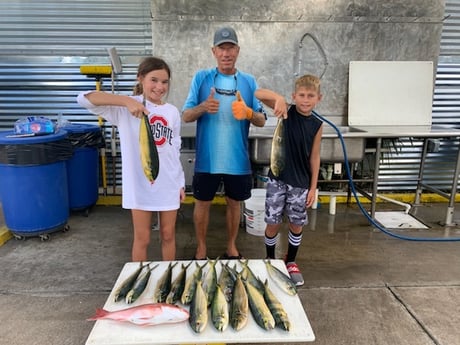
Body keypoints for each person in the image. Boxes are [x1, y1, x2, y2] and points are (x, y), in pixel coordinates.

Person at [77, 56, 185, 262]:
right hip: (140, 184)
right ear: (140, 79)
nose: (160, 87)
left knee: (168, 235)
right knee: (142, 238)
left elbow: (175, 149)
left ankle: (168, 280)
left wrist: (180, 183)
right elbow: (83, 98)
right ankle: (140, 283)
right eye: (154, 80)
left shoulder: (171, 112)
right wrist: (126, 101)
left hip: (168, 182)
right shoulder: (124, 109)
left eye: (164, 82)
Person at [182, 27, 266, 260]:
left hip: (237, 160)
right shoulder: (202, 78)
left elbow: (261, 120)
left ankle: (231, 246)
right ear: (214, 51)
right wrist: (203, 107)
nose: (226, 53)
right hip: (207, 159)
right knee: (202, 203)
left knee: (234, 203)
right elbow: (186, 115)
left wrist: (248, 112)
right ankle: (201, 247)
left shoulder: (248, 81)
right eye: (222, 48)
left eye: (231, 48)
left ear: (238, 51)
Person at [255, 74, 324, 286]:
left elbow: (315, 156)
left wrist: (313, 188)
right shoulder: (286, 112)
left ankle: (291, 261)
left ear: (318, 98)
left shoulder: (317, 124)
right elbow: (258, 93)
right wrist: (278, 99)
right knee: (272, 222)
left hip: (301, 184)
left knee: (296, 224)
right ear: (294, 96)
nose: (305, 100)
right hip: (277, 180)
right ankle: (270, 259)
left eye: (310, 96)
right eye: (301, 95)